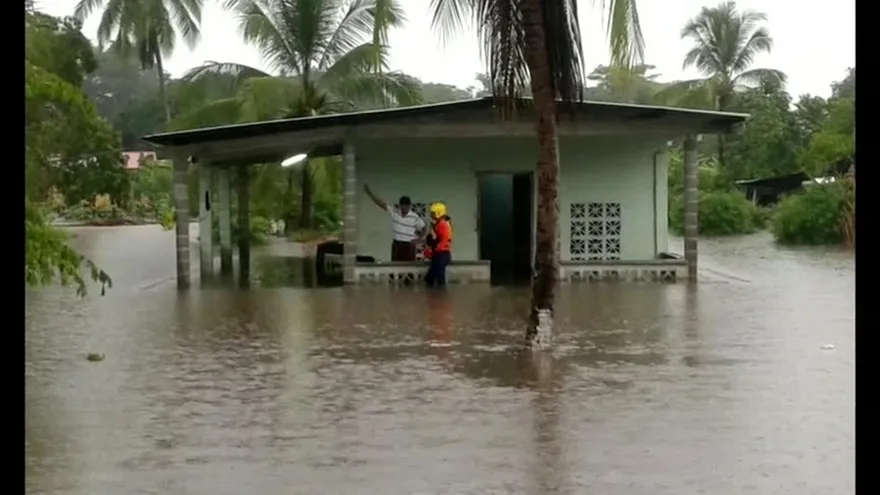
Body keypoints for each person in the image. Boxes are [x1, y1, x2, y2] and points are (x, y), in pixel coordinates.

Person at [363, 184, 426, 262]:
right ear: (400, 206)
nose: (405, 208)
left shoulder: (414, 217)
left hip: (408, 245)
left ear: (409, 206)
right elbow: (381, 204)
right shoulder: (395, 212)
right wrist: (370, 193)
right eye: (403, 206)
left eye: (407, 206)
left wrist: (419, 239)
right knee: (396, 264)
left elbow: (424, 228)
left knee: (408, 265)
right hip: (397, 244)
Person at [424, 202, 452, 287]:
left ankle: (441, 293)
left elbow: (443, 240)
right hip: (439, 254)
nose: (431, 215)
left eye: (433, 213)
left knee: (438, 277)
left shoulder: (443, 225)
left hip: (442, 254)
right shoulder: (439, 224)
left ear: (438, 213)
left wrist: (433, 248)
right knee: (431, 277)